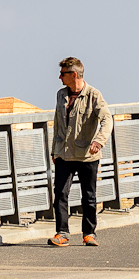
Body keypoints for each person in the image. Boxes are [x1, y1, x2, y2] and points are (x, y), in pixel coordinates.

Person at [49, 56, 110, 247]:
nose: (59, 77)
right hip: (64, 154)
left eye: (63, 74)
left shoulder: (94, 95)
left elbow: (107, 119)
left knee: (89, 196)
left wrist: (99, 141)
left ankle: (89, 233)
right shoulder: (60, 95)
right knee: (60, 193)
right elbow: (57, 124)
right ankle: (62, 233)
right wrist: (54, 150)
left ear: (74, 74)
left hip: (87, 155)